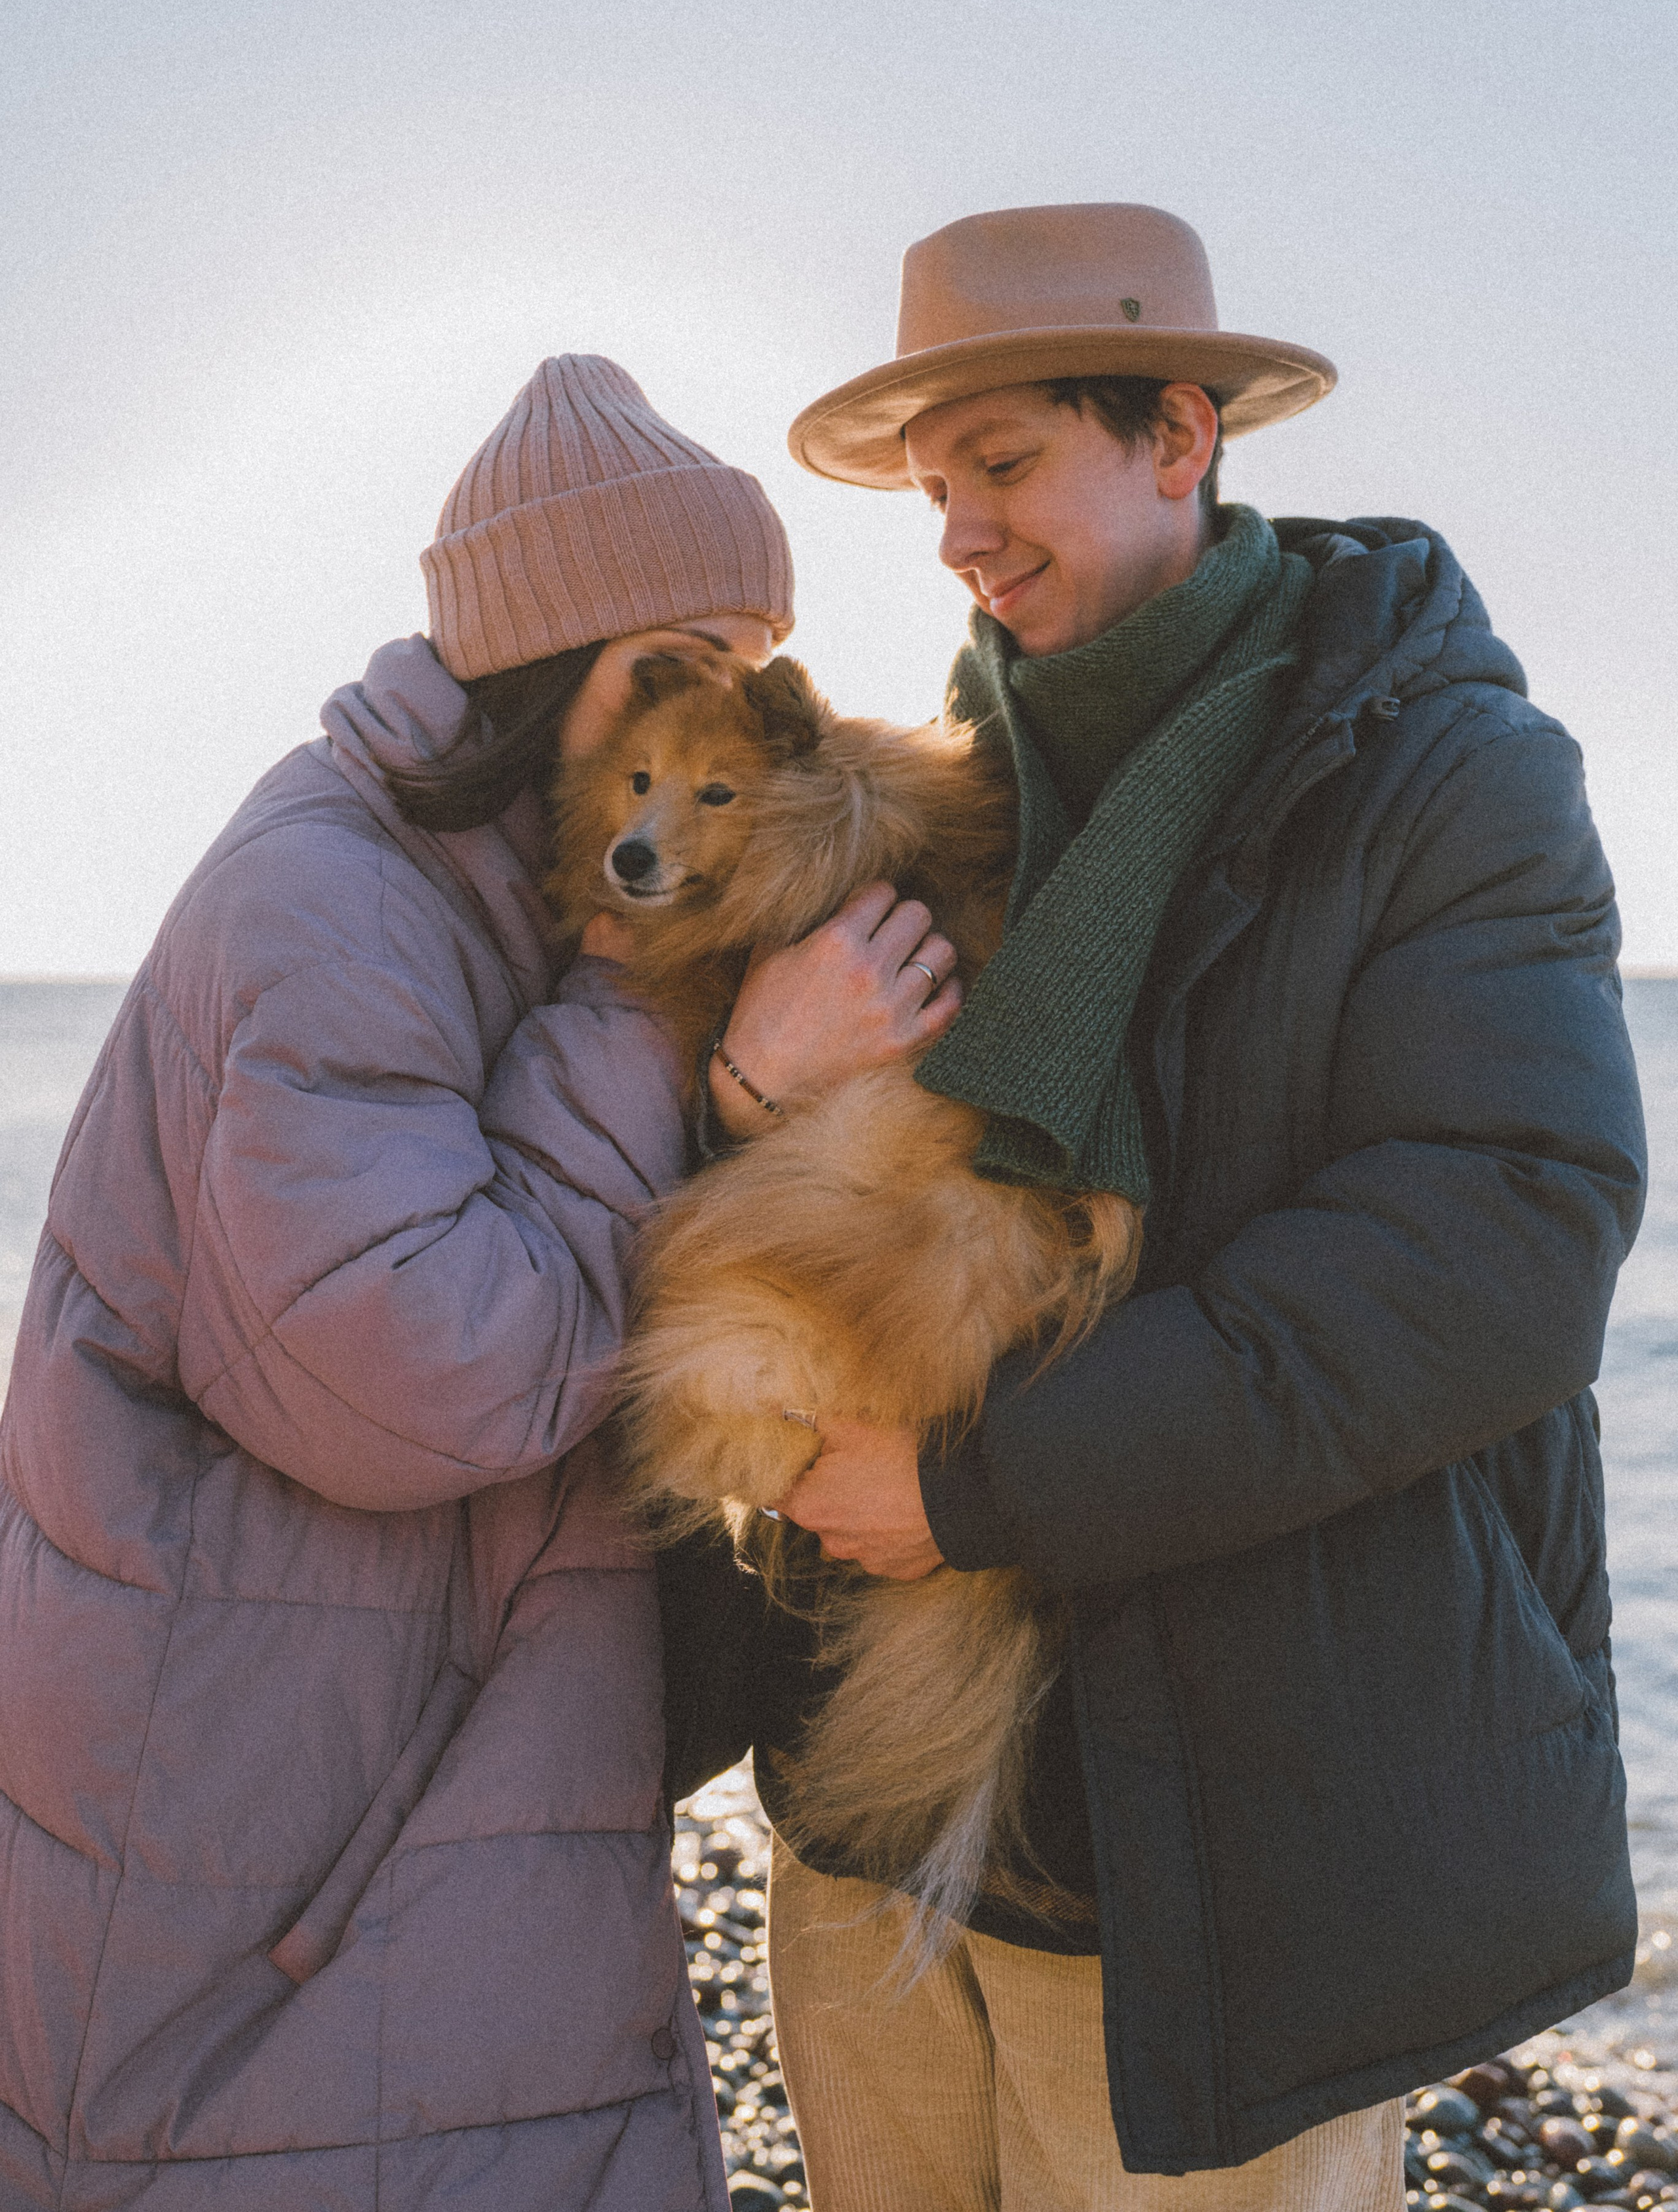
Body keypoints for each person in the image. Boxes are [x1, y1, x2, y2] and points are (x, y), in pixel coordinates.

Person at [722, 205, 1647, 2212]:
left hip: (1225, 1866)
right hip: (872, 1814)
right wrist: (751, 1089)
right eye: (931, 485)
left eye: (1001, 462)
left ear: (1177, 434)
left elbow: (1499, 1248)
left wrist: (976, 1483)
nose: (958, 534)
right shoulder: (932, 789)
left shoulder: (1443, 774)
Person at [0, 353, 962, 2212]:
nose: (712, 712)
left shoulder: (512, 887)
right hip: (269, 1827)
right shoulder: (332, 901)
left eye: (747, 665)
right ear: (539, 655)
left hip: (399, 1770)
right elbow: (419, 1374)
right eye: (669, 657)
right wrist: (715, 1069)